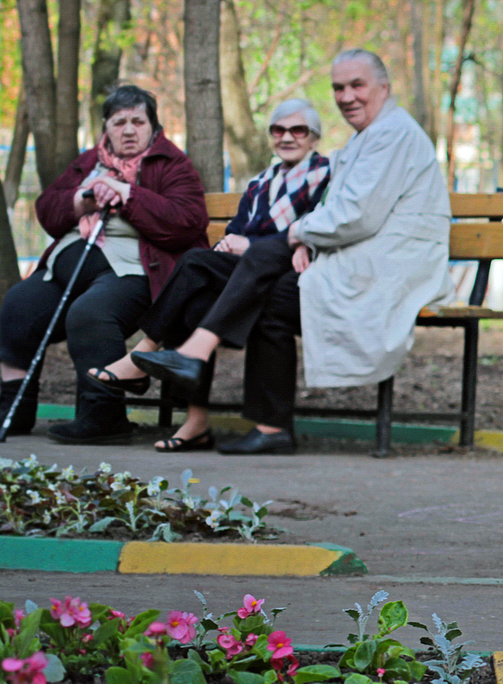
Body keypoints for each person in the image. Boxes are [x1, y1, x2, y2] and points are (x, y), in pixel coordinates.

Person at [131, 49, 453, 454]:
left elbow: (356, 216)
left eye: (357, 85)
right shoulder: (369, 138)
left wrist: (299, 234)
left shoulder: (391, 135)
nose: (347, 96)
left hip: (390, 268)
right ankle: (263, 421)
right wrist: (304, 239)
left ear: (384, 88)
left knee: (265, 276)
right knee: (243, 273)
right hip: (358, 259)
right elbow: (340, 211)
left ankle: (215, 373)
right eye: (339, 87)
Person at [87, 98, 331, 452]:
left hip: (292, 274)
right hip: (250, 273)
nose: (288, 137)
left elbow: (321, 226)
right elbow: (237, 228)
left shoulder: (326, 176)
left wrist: (257, 245)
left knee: (195, 265)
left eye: (298, 130)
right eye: (279, 130)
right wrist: (234, 241)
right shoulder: (261, 183)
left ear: (314, 137)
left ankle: (141, 355)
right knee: (196, 290)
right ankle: (196, 422)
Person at [0, 85, 209, 444]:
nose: (128, 130)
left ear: (153, 126)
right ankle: (15, 406)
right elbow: (47, 210)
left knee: (90, 313)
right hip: (64, 271)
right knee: (19, 305)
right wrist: (83, 199)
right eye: (119, 122)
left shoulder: (172, 164)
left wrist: (127, 194)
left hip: (134, 273)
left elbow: (186, 221)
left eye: (137, 121)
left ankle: (103, 416)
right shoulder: (89, 163)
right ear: (106, 128)